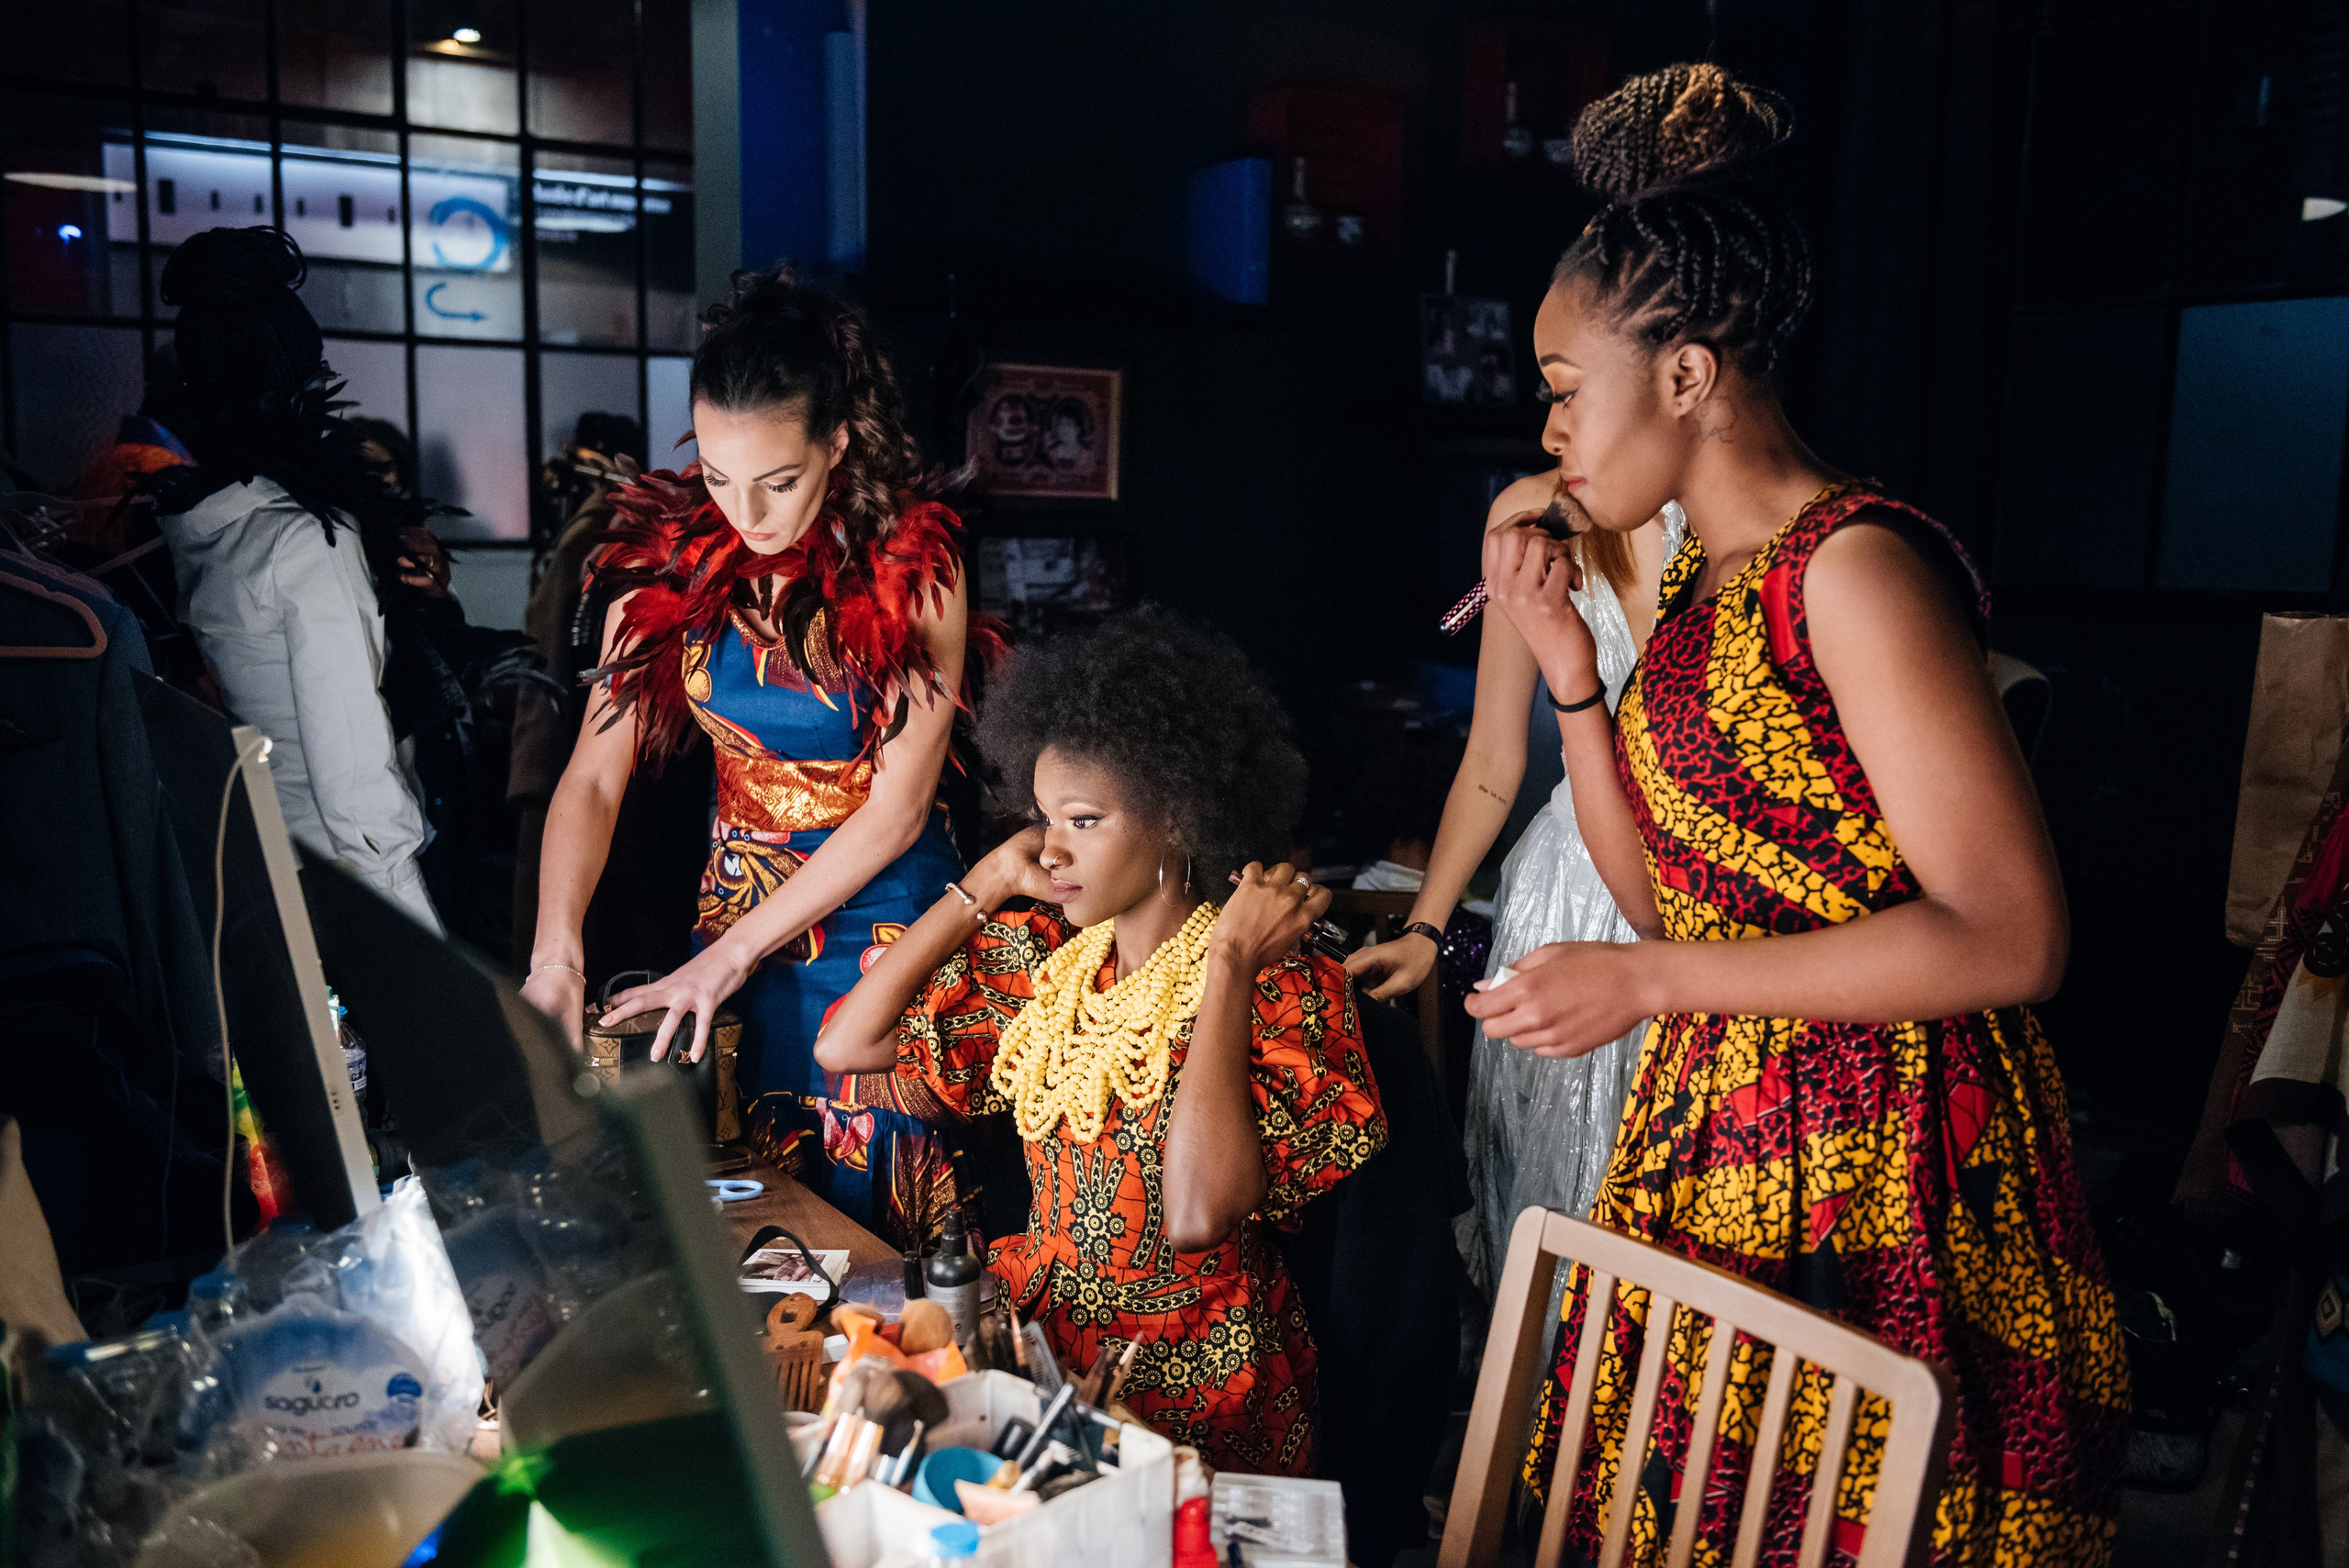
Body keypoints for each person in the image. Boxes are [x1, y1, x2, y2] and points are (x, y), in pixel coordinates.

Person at [1470, 65, 2128, 1564]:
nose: (1553, 430)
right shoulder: (1700, 589)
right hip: (1717, 1140)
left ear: (1690, 375)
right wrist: (1575, 680)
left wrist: (1648, 986)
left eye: (1568, 388)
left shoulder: (1855, 567)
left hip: (1892, 1162)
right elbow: (1660, 907)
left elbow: (2014, 935)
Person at [815, 609, 1386, 1475]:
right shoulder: (1046, 969)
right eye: (1044, 817)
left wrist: (1228, 958)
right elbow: (849, 1044)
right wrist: (989, 879)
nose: (1052, 845)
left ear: (1180, 819)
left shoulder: (1278, 991)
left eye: (1083, 819)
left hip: (1201, 1385)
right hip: (1043, 1355)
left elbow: (1197, 1214)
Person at [521, 269, 991, 1248]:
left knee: (874, 1218)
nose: (749, 511)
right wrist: (555, 955)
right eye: (722, 478)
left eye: (778, 481)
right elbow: (593, 778)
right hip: (733, 907)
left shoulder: (919, 574)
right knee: (745, 1205)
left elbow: (899, 810)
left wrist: (729, 955)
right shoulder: (664, 579)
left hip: (881, 927)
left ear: (839, 441)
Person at [1350, 484, 1682, 1297]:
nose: (1550, 430)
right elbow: (1493, 761)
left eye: (1569, 394)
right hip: (1567, 889)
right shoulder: (1528, 515)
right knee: (1564, 1194)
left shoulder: (1737, 518)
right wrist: (1425, 929)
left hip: (1702, 883)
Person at [147, 228, 440, 930]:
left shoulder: (201, 526)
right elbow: (353, 779)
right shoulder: (306, 538)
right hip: (335, 884)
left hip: (244, 863)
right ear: (302, 379)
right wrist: (421, 943)